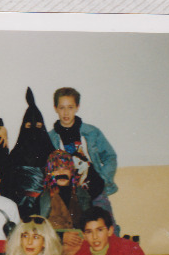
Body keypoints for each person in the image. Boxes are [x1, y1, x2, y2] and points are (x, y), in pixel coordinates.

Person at [49, 86, 119, 220]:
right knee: (77, 230)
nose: (66, 113)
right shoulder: (50, 138)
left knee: (107, 226)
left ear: (77, 107)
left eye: (70, 107)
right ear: (55, 108)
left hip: (96, 192)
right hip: (70, 197)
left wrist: (103, 179)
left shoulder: (91, 132)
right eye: (62, 107)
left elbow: (110, 156)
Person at [9, 87, 56, 215]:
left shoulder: (52, 155)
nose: (34, 132)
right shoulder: (15, 154)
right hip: (19, 207)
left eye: (38, 127)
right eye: (29, 126)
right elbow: (8, 185)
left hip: (46, 207)